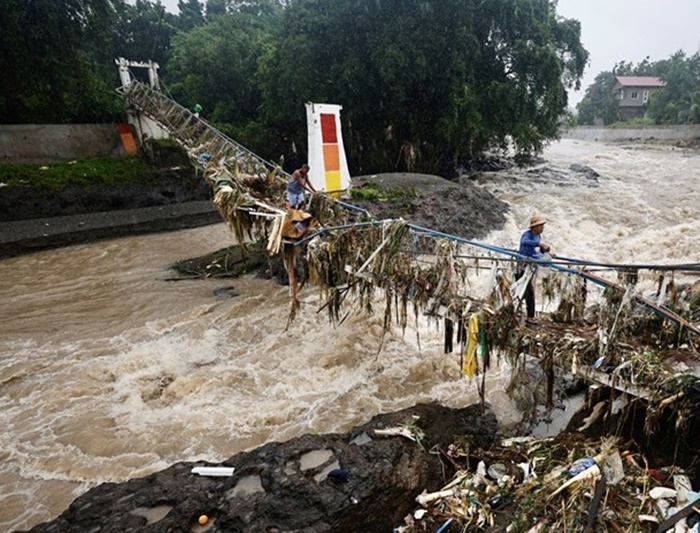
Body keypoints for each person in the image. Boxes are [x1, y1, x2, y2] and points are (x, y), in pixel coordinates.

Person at [516, 214, 553, 323]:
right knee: (526, 291)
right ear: (534, 227)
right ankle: (529, 316)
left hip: (531, 266)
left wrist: (545, 251)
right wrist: (540, 244)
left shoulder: (538, 237)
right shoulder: (527, 235)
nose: (542, 228)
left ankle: (523, 313)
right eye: (540, 226)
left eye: (542, 225)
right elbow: (525, 242)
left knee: (525, 292)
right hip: (522, 266)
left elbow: (536, 251)